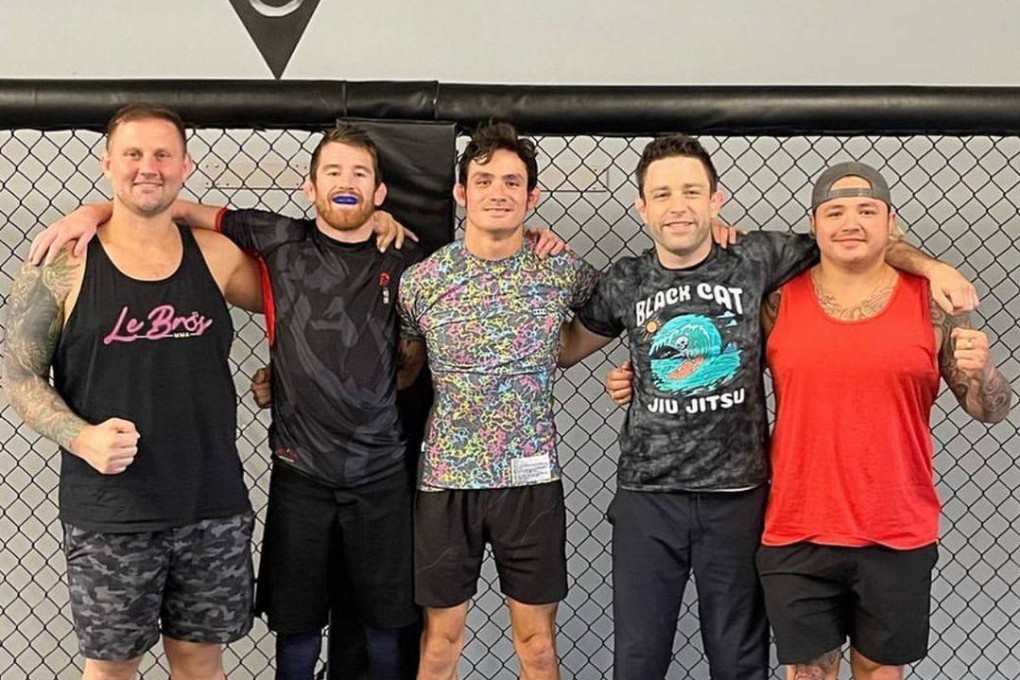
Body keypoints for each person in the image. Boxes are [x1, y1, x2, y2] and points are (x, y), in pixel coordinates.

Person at [33, 122, 567, 680]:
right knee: (296, 631)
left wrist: (535, 240)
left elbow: (468, 281)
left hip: (381, 475)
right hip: (301, 475)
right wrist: (90, 213)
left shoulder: (409, 259)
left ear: (380, 194)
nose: (346, 181)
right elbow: (169, 206)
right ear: (308, 188)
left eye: (360, 173)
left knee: (389, 628)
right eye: (332, 171)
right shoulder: (277, 239)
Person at [560, 136, 978, 680]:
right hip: (649, 495)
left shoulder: (756, 258)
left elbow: (853, 239)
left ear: (717, 200)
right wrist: (537, 258)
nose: (678, 205)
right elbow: (567, 347)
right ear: (643, 207)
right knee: (638, 660)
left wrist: (933, 268)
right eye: (662, 194)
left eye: (692, 191)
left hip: (738, 494)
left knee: (739, 660)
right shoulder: (626, 279)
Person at [3, 103, 263, 680]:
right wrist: (82, 437)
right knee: (113, 667)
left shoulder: (217, 257)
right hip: (111, 512)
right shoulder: (61, 264)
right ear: (108, 164)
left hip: (210, 502)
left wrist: (290, 377)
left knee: (200, 662)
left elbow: (296, 299)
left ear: (186, 165)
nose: (149, 167)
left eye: (163, 154)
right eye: (134, 154)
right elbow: (18, 375)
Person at [755, 162, 1012, 680]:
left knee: (879, 673)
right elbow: (719, 376)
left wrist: (983, 368)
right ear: (814, 224)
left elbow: (992, 409)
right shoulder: (778, 301)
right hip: (798, 524)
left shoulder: (932, 303)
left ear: (890, 221)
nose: (850, 222)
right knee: (809, 673)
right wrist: (648, 374)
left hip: (896, 526)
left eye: (866, 210)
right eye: (836, 211)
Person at [397, 121, 600, 680]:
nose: (498, 192)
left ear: (531, 197)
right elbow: (404, 367)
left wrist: (567, 349)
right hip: (446, 481)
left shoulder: (559, 269)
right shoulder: (422, 281)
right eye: (484, 180)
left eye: (513, 182)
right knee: (440, 642)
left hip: (530, 480)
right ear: (462, 193)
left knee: (536, 645)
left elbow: (618, 304)